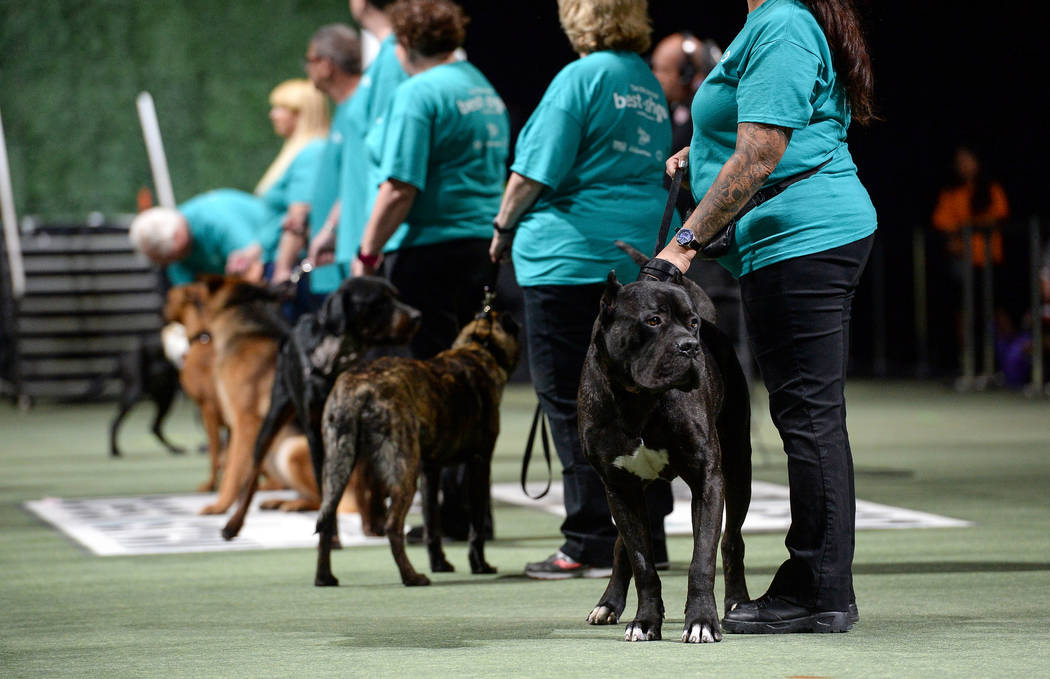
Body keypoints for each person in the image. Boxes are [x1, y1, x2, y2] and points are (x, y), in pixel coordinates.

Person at [644, 0, 877, 633]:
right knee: (804, 413)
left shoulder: (781, 22)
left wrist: (681, 247)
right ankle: (816, 583)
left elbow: (762, 152)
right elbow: (757, 132)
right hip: (792, 237)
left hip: (807, 236)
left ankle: (820, 590)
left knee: (808, 416)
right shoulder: (770, 22)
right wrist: (703, 151)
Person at [488, 0, 674, 580]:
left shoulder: (580, 76)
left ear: (579, 17)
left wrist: (500, 230)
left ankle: (591, 540)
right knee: (639, 398)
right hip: (638, 259)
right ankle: (648, 535)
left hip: (567, 262)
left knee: (572, 403)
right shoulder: (644, 81)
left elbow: (534, 173)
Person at [326, 0, 509, 539]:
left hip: (429, 252)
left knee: (429, 390)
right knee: (469, 385)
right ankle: (471, 515)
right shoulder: (481, 86)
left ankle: (439, 518)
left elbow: (400, 188)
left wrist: (367, 254)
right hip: (480, 249)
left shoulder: (416, 93)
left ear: (403, 46)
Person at [650, 31, 752, 381]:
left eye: (660, 70)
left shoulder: (707, 118)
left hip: (708, 244)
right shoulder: (676, 116)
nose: (654, 78)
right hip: (691, 240)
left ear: (684, 74)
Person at [306, 0, 408, 278]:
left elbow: (390, 165)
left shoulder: (392, 59)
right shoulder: (381, 66)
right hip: (366, 243)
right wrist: (333, 229)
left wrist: (368, 247)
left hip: (377, 245)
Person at [271, 24, 363, 302]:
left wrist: (330, 229)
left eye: (310, 61)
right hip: (331, 262)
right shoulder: (344, 111)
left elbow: (359, 182)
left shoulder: (358, 108)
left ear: (326, 65)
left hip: (347, 263)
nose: (307, 69)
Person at [254, 79, 330, 276]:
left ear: (300, 113)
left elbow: (299, 216)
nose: (273, 115)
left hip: (292, 264)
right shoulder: (298, 152)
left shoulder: (312, 152)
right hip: (279, 259)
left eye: (281, 108)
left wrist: (282, 270)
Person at [129, 189, 267, 286]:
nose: (168, 264)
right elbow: (189, 295)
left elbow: (255, 269)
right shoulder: (175, 259)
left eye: (169, 258)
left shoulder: (215, 219)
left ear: (178, 238)